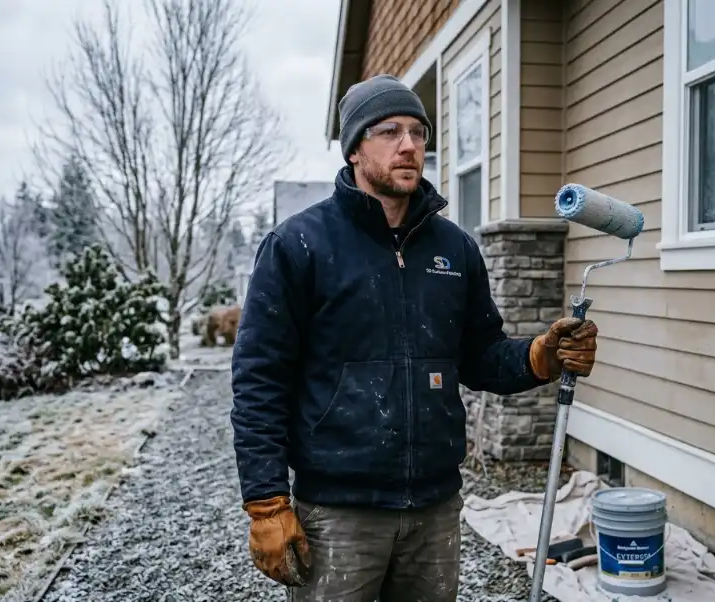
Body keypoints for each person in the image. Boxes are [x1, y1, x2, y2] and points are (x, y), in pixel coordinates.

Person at [230, 73, 599, 601]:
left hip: (434, 509)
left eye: (418, 133)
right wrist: (266, 503)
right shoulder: (299, 245)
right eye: (388, 131)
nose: (409, 145)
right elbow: (259, 379)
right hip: (340, 513)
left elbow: (479, 357)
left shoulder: (455, 249)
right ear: (354, 148)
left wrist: (540, 357)